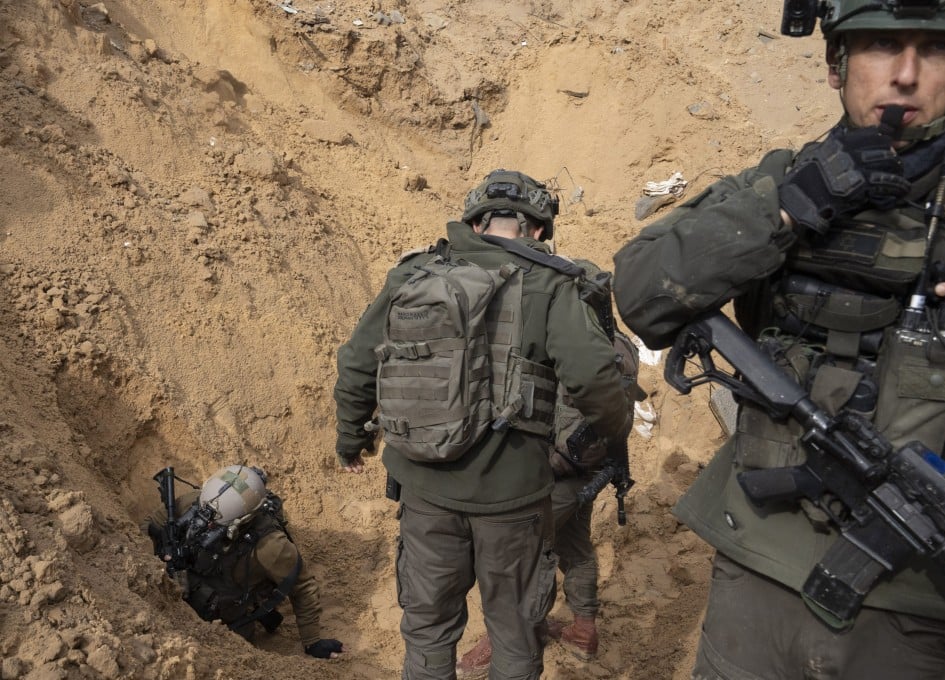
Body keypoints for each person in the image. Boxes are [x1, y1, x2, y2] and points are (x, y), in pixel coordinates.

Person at [612, 1, 945, 678]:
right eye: (883, 45)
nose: (906, 76)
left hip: (911, 594)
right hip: (758, 565)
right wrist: (789, 204)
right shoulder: (784, 175)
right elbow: (643, 293)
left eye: (937, 51)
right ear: (836, 63)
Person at [333, 169, 632, 680]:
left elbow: (359, 360)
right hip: (513, 501)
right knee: (515, 633)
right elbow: (596, 380)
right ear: (538, 229)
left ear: (474, 220)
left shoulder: (414, 273)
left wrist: (350, 438)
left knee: (428, 631)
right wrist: (613, 433)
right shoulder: (553, 283)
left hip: (424, 489)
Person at [455, 266, 645, 679]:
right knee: (576, 546)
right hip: (592, 471)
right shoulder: (620, 345)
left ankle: (512, 635)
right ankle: (584, 629)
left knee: (524, 559)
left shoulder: (578, 346)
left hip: (553, 473)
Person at [145, 465, 343, 660]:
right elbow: (150, 526)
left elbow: (302, 587)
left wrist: (312, 642)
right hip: (176, 589)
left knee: (237, 653)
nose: (205, 523)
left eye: (215, 525)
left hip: (224, 617)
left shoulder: (271, 545)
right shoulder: (193, 502)